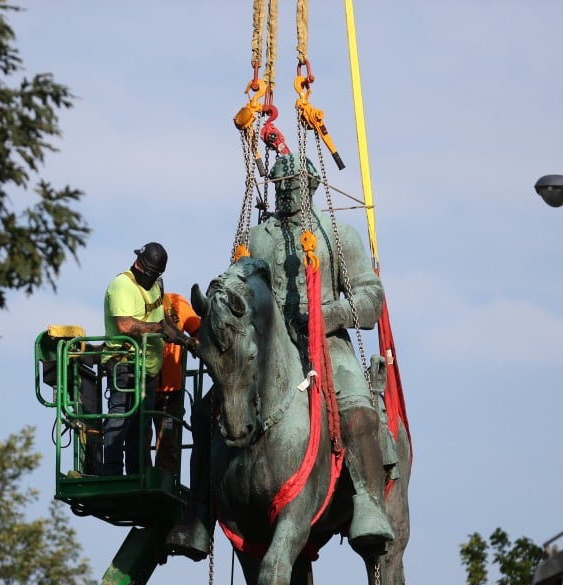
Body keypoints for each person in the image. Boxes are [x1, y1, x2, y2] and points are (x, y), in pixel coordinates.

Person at [168, 154, 393, 559]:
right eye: (279, 184)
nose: (284, 191)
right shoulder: (258, 238)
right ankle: (199, 512)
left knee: (357, 412)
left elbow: (370, 297)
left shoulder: (338, 234)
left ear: (311, 186)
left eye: (292, 184)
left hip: (326, 342)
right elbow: (241, 281)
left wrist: (330, 314)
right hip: (270, 349)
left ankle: (368, 502)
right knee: (206, 413)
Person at [101, 242, 187, 476]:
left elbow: (163, 319)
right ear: (142, 266)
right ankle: (112, 472)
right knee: (120, 418)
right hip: (124, 365)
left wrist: (182, 338)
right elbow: (125, 325)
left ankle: (137, 472)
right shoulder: (122, 285)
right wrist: (159, 328)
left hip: (148, 370)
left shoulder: (154, 287)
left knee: (141, 425)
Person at [153, 292, 201, 474]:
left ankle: (165, 481)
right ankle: (142, 479)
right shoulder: (136, 302)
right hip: (141, 387)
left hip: (171, 392)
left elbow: (198, 332)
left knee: (168, 440)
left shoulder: (178, 303)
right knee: (138, 438)